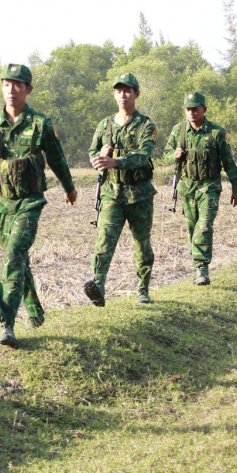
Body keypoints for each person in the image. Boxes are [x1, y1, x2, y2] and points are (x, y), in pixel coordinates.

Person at [0, 63, 78, 347]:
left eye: (18, 85)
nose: (11, 90)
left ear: (28, 90)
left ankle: (6, 320)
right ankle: (35, 311)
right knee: (18, 257)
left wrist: (69, 187)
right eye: (7, 84)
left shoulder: (41, 123)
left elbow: (56, 158)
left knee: (14, 252)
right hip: (0, 201)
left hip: (30, 201)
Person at [85, 73, 158, 305]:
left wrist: (115, 161)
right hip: (111, 193)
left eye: (128, 90)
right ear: (114, 94)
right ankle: (98, 285)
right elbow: (92, 152)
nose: (123, 95)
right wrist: (99, 158)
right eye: (119, 91)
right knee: (104, 240)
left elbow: (143, 154)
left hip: (139, 194)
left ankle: (143, 289)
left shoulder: (146, 125)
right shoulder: (104, 125)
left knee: (141, 243)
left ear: (136, 94)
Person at [163, 91, 237, 286]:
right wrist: (174, 154)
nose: (191, 113)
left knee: (204, 226)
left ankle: (201, 269)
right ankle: (197, 266)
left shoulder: (216, 133)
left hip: (209, 187)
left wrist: (236, 188)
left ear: (203, 109)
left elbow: (229, 162)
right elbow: (164, 155)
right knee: (192, 228)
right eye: (188, 109)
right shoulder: (178, 131)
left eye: (195, 109)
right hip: (187, 188)